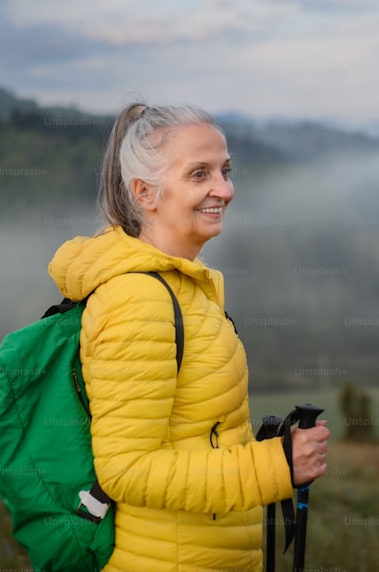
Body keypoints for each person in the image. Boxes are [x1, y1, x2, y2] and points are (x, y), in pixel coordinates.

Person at [48, 104, 330, 571]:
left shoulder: (184, 284)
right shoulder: (139, 299)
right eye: (199, 174)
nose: (224, 189)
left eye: (225, 170)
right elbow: (127, 469)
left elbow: (197, 436)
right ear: (144, 193)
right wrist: (277, 466)